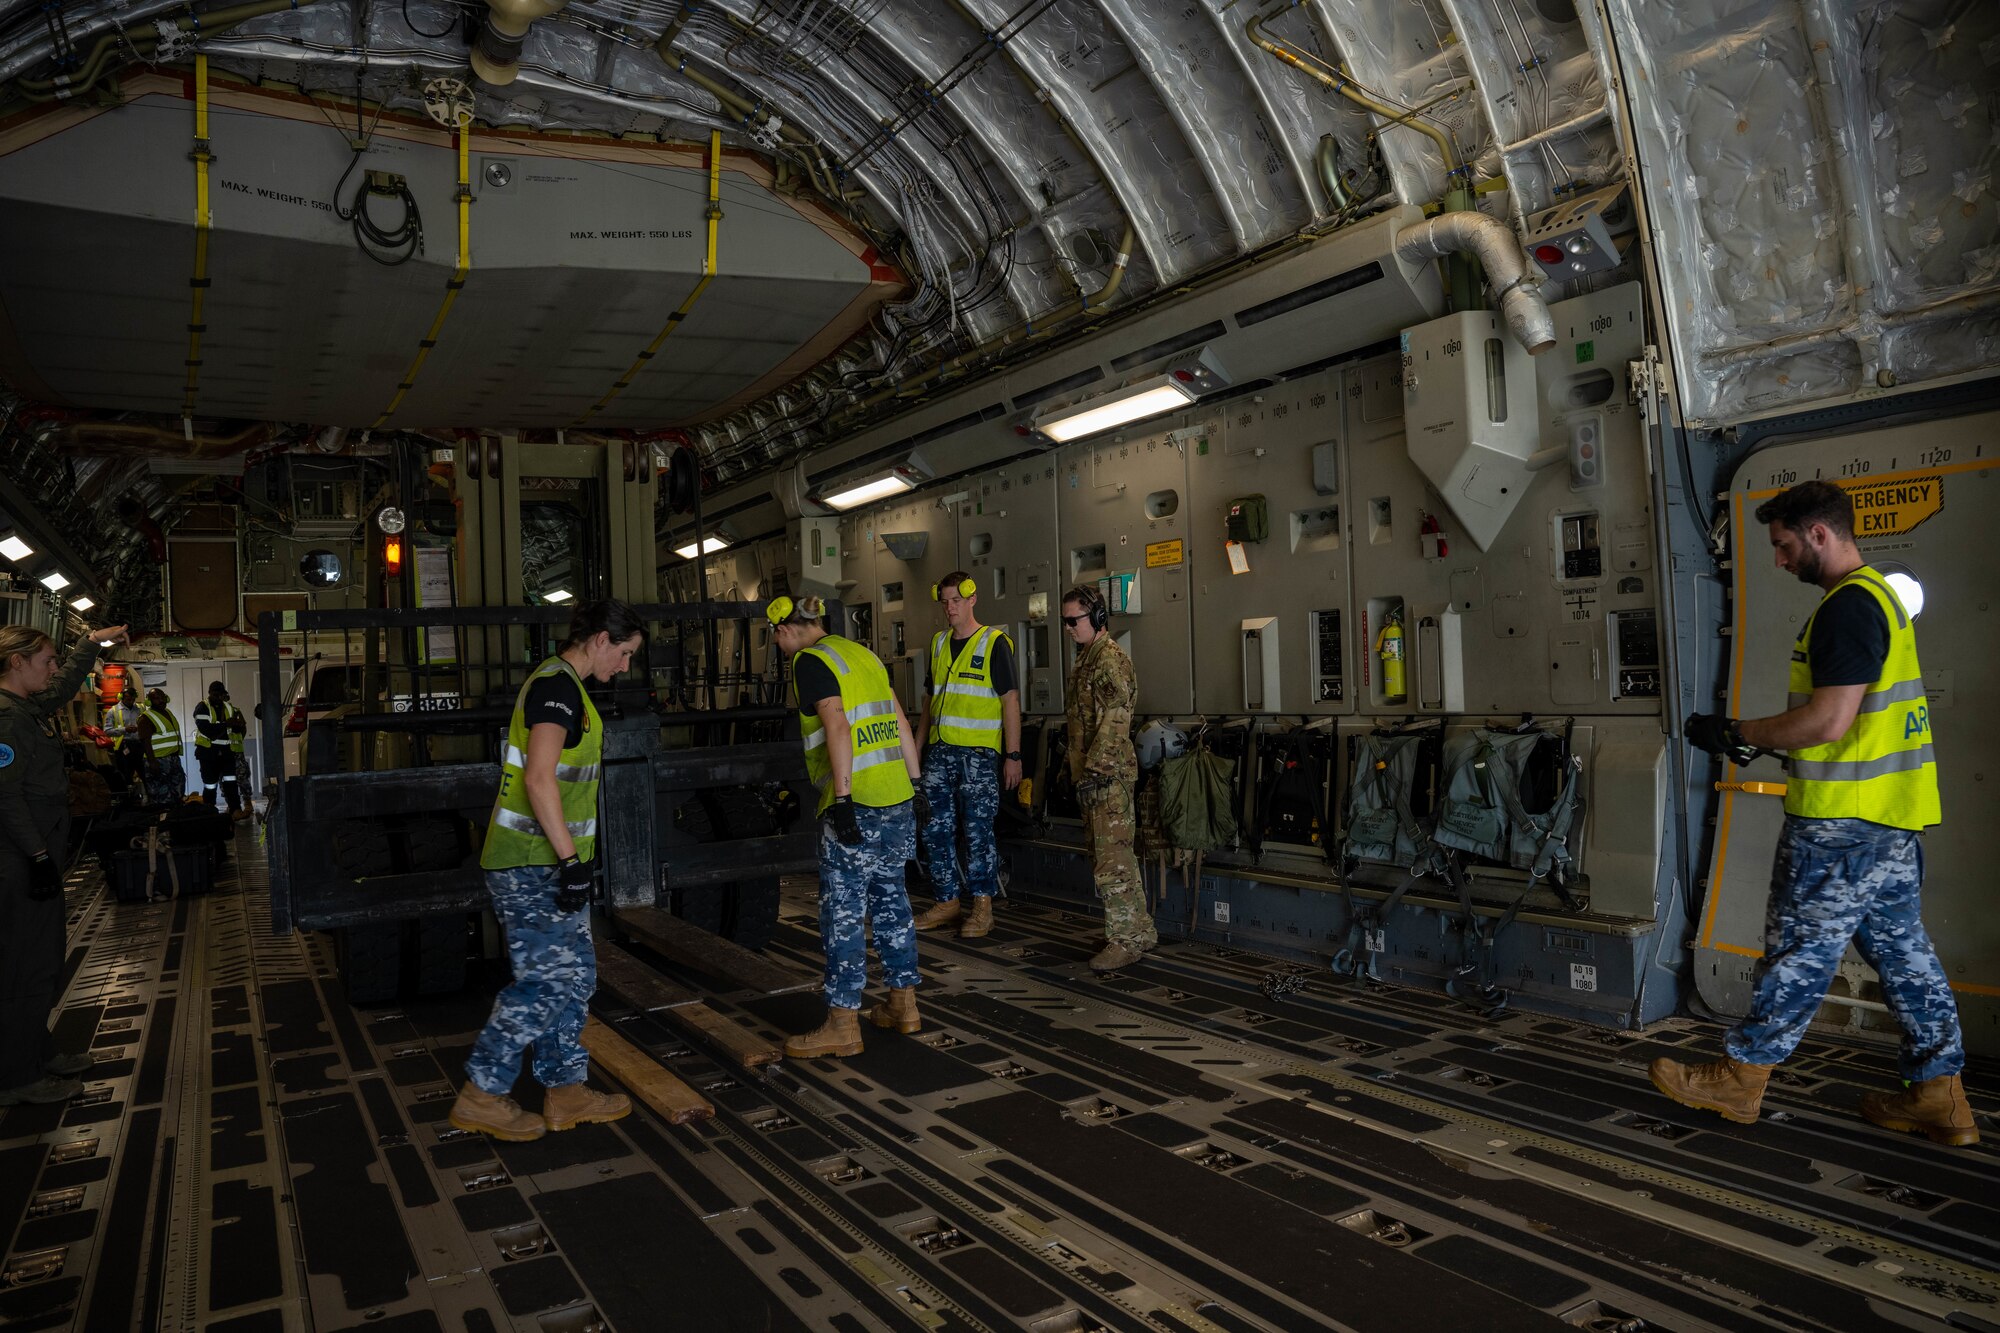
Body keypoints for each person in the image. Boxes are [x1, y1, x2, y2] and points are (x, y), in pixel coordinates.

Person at [1655, 480, 1974, 1146]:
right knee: (1905, 956)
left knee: (1798, 952)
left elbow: (1830, 721)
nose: (1778, 560)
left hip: (1841, 824)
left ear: (1819, 534)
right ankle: (1940, 1096)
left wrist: (1739, 732)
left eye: (1782, 545)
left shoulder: (1847, 608)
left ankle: (1740, 1079)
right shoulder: (1884, 597)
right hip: (1891, 817)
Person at [450, 600, 643, 1142]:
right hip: (532, 863)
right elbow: (539, 780)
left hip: (550, 864)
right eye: (625, 654)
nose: (624, 667)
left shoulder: (570, 690)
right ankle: (482, 1094)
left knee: (575, 975)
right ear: (602, 639)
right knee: (546, 981)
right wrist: (569, 861)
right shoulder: (557, 688)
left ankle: (565, 1090)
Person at [767, 594, 927, 1057]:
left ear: (784, 629)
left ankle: (842, 1022)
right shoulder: (863, 653)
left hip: (857, 801)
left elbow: (837, 727)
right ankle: (904, 1004)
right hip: (896, 793)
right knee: (892, 900)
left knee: (843, 910)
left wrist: (840, 799)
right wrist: (916, 785)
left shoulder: (809, 662)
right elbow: (897, 718)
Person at [1, 621, 130, 1106]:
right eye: (46, 660)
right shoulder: (7, 720)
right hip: (19, 862)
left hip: (34, 855)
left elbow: (57, 693)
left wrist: (88, 646)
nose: (54, 670)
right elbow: (5, 797)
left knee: (43, 962)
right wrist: (36, 857)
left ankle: (35, 1051)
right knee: (25, 968)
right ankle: (16, 1077)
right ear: (17, 662)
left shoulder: (22, 707)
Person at [912, 572, 1021, 940]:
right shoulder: (939, 643)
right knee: (934, 829)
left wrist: (1013, 754)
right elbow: (929, 701)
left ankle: (982, 907)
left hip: (978, 756)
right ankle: (947, 901)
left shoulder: (994, 643)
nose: (950, 607)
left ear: (972, 599)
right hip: (939, 753)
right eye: (944, 601)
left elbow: (1010, 701)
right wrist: (917, 746)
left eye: (956, 600)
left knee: (977, 832)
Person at [1060, 585, 1154, 972]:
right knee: (1111, 858)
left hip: (1106, 778)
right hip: (1092, 777)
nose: (1068, 628)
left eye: (1074, 621)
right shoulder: (1087, 657)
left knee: (1112, 863)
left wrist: (1095, 772)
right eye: (1065, 621)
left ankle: (1125, 940)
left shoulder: (1108, 661)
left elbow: (1116, 721)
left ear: (1097, 617)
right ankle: (1138, 929)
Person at [192, 680, 245, 817]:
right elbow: (207, 730)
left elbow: (238, 729)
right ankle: (209, 812)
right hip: (208, 753)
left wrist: (237, 725)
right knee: (210, 785)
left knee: (231, 782)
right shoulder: (202, 707)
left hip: (226, 752)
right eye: (215, 694)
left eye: (220, 695)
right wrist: (226, 724)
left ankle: (235, 810)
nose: (218, 697)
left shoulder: (228, 707)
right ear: (209, 693)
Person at [136, 686, 185, 805]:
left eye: (163, 697)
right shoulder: (146, 718)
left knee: (177, 792)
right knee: (161, 796)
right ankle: (162, 819)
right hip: (158, 761)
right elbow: (145, 742)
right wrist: (152, 762)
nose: (161, 700)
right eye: (156, 698)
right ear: (149, 701)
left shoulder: (168, 712)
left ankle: (174, 819)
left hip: (173, 759)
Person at [103, 684, 147, 788]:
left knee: (145, 774)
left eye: (132, 699)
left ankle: (149, 797)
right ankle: (128, 799)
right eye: (128, 699)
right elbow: (107, 731)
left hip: (140, 746)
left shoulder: (141, 708)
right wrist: (124, 730)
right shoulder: (113, 711)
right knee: (126, 776)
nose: (130, 701)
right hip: (123, 747)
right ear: (121, 697)